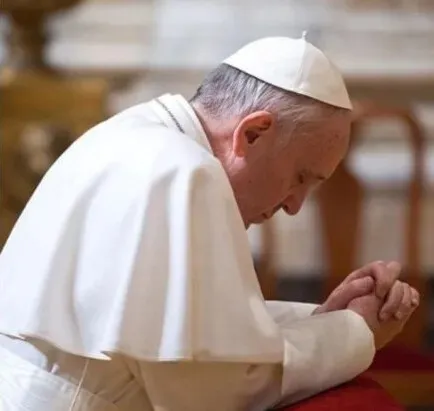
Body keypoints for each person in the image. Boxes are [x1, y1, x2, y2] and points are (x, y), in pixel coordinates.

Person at [0, 36, 419, 411]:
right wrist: (354, 332)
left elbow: (189, 330)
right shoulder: (183, 173)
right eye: (301, 177)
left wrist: (322, 319)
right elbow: (214, 391)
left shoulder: (135, 135)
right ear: (253, 133)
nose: (294, 205)